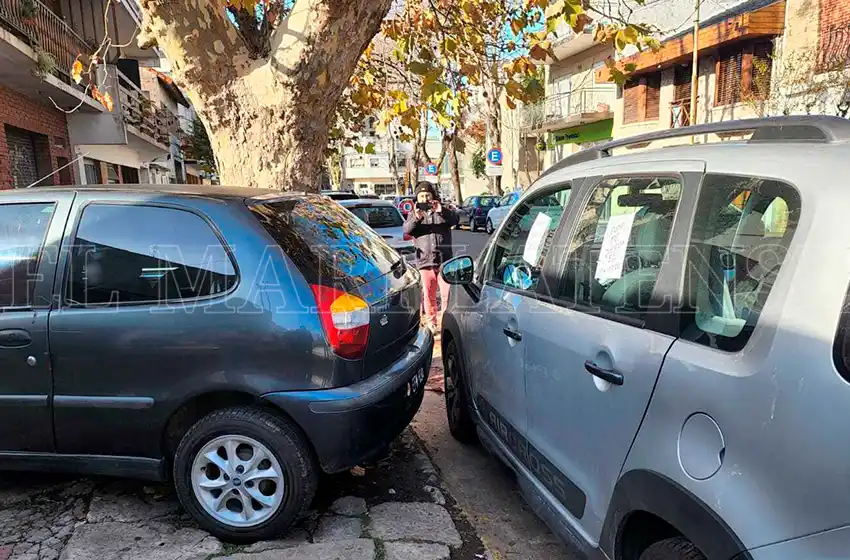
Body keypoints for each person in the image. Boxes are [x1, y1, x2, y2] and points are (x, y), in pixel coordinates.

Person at [403, 182, 459, 334]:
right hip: (425, 261)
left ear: (433, 196)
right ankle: (432, 322)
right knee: (428, 295)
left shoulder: (443, 209)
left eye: (428, 195)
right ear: (417, 198)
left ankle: (446, 323)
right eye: (421, 196)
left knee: (447, 294)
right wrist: (416, 217)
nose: (425, 199)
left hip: (445, 261)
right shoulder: (414, 214)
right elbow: (407, 230)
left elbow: (455, 220)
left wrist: (442, 211)